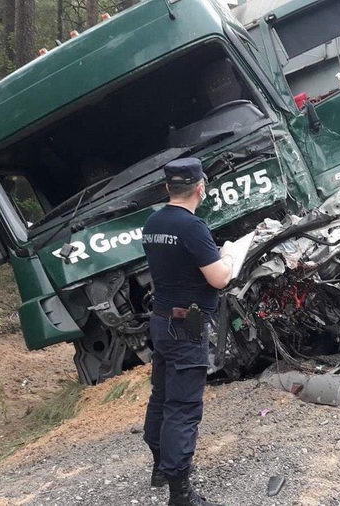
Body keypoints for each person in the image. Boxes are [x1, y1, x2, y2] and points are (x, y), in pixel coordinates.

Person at [141, 157, 232, 506]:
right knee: (183, 405)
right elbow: (219, 278)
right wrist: (228, 260)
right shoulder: (192, 226)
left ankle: (160, 468)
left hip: (162, 320)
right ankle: (180, 493)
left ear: (167, 187)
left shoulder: (153, 222)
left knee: (162, 396)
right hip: (187, 322)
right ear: (200, 187)